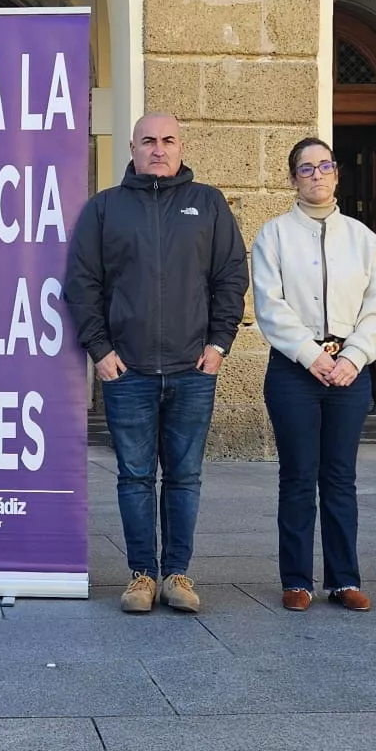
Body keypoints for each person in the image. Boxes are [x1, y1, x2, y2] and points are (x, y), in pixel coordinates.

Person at [65, 113, 248, 615]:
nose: (159, 149)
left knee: (185, 476)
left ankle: (178, 575)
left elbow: (231, 276)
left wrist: (219, 344)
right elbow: (82, 284)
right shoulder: (105, 209)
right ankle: (142, 575)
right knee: (135, 476)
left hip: (193, 370)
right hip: (129, 372)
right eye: (149, 140)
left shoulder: (207, 203)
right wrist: (99, 350)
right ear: (132, 147)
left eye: (168, 140)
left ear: (181, 146)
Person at [251, 137, 376, 612]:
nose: (316, 175)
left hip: (350, 373)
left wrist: (353, 357)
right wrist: (312, 355)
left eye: (324, 166)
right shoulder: (272, 236)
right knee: (296, 475)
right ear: (293, 178)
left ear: (336, 174)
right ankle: (296, 580)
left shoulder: (365, 240)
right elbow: (271, 306)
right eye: (305, 168)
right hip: (294, 371)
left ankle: (344, 579)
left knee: (339, 477)